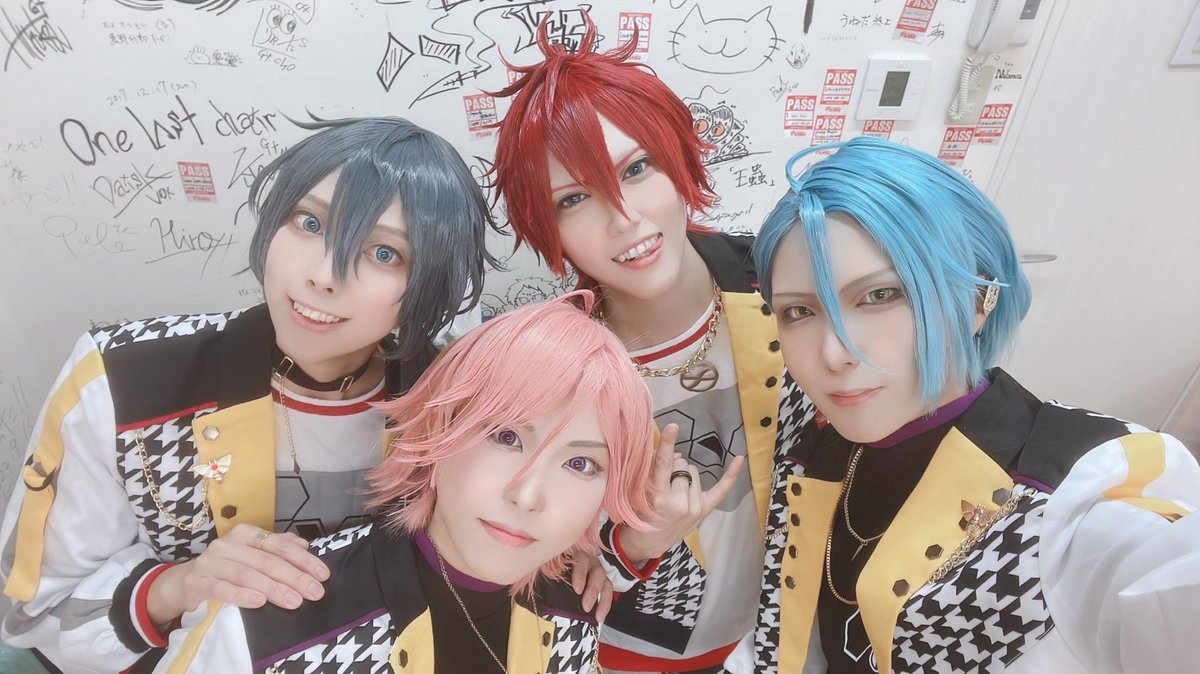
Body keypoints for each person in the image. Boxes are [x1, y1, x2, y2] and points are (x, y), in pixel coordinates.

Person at [0, 116, 498, 673]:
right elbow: (32, 613)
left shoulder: (452, 401)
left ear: (430, 283)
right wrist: (183, 584)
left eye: (384, 253)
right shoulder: (125, 378)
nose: (324, 275)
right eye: (309, 222)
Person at [729, 135, 1200, 673]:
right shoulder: (817, 451)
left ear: (979, 298)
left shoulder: (1071, 494)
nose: (834, 354)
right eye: (798, 312)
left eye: (879, 296)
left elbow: (1162, 583)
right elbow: (784, 631)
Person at [490, 17, 805, 674]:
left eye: (637, 168)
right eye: (573, 199)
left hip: (796, 633)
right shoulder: (549, 368)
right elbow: (530, 560)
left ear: (679, 159)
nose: (623, 217)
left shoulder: (785, 286)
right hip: (632, 652)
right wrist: (636, 542)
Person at [153, 291, 659, 673]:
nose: (527, 496)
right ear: (441, 430)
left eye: (581, 464)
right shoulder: (270, 623)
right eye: (506, 436)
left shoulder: (574, 612)